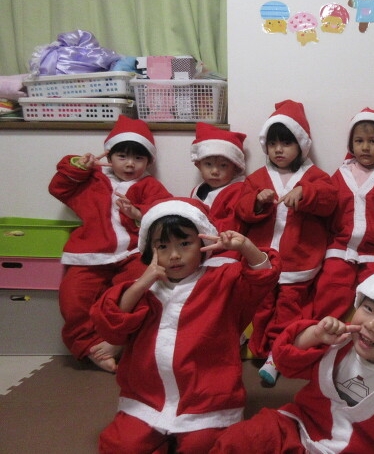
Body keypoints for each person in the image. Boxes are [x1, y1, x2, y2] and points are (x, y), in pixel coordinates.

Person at [90, 198, 281, 454]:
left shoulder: (223, 281)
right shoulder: (143, 289)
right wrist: (142, 283)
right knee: (121, 446)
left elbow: (262, 278)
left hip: (207, 399)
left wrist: (246, 246)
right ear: (149, 251)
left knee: (208, 447)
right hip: (147, 398)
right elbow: (112, 326)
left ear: (202, 244)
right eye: (163, 246)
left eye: (184, 243)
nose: (174, 255)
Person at [210, 262, 374, 454]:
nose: (370, 325)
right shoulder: (338, 343)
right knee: (244, 438)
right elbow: (286, 362)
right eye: (368, 309)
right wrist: (315, 335)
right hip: (299, 426)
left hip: (357, 448)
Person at [48, 115, 172, 372]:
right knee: (73, 298)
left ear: (148, 161)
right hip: (89, 253)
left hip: (133, 253)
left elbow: (166, 210)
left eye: (138, 158)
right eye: (122, 156)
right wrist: (78, 167)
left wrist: (138, 213)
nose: (130, 164)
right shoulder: (91, 179)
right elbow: (59, 188)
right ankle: (89, 346)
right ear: (109, 156)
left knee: (145, 289)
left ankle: (120, 340)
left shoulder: (149, 185)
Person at [237, 99, 337, 385]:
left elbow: (329, 200)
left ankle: (277, 354)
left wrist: (305, 193)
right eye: (273, 144)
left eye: (286, 143)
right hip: (263, 259)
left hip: (298, 261)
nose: (278, 149)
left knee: (289, 309)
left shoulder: (316, 177)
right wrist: (257, 201)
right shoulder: (258, 178)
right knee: (261, 305)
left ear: (301, 145)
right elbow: (241, 208)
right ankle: (258, 346)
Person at [312, 107, 374, 320]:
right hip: (340, 249)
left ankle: (369, 335)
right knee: (329, 289)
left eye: (373, 141)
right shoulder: (341, 174)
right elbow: (327, 208)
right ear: (351, 145)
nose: (365, 147)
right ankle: (323, 332)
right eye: (359, 141)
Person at [189, 122, 248, 237]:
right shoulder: (197, 190)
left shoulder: (238, 191)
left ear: (236, 168)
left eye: (223, 165)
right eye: (208, 164)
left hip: (225, 241)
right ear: (198, 165)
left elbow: (234, 224)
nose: (215, 171)